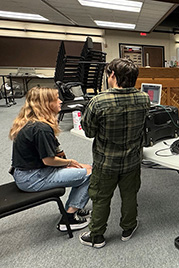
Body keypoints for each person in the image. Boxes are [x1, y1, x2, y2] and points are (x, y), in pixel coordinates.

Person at [80, 58, 150, 248]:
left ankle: (97, 236)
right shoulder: (144, 98)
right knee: (129, 195)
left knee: (101, 197)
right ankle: (128, 228)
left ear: (112, 75)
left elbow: (89, 132)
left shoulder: (98, 102)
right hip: (132, 161)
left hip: (106, 162)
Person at [9, 86, 92, 232]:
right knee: (91, 173)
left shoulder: (31, 122)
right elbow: (49, 160)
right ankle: (69, 218)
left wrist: (68, 164)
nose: (60, 101)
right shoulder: (41, 129)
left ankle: (75, 208)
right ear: (47, 104)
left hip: (26, 173)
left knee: (87, 168)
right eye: (57, 99)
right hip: (33, 178)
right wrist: (69, 162)